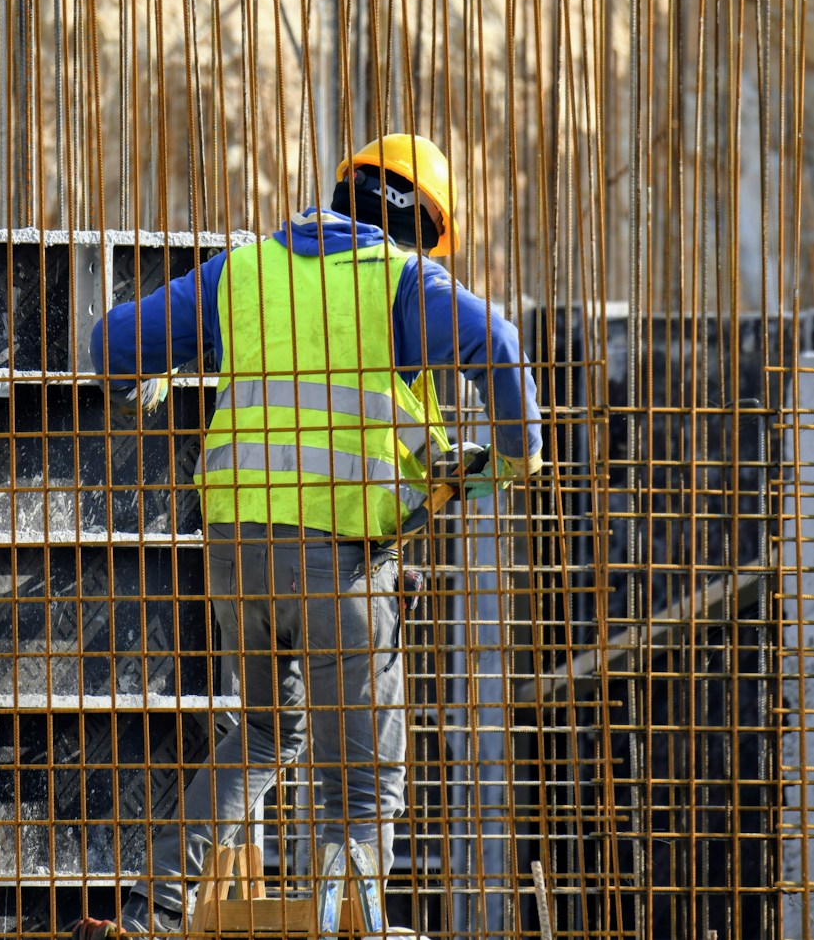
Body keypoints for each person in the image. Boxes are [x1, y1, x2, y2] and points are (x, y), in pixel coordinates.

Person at [71, 134, 544, 939]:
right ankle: (349, 927)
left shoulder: (244, 271)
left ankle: (151, 915)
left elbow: (111, 342)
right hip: (342, 558)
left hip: (234, 554)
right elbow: (495, 345)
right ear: (425, 226)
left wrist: (137, 384)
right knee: (360, 783)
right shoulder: (400, 281)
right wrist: (515, 450)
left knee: (261, 732)